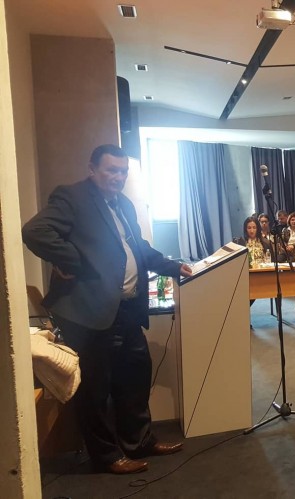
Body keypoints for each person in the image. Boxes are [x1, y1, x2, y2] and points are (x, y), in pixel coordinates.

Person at [21, 144, 191, 474]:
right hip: (88, 311)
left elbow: (138, 248)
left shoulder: (123, 204)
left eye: (122, 171)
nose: (118, 176)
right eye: (111, 170)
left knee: (135, 377)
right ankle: (107, 457)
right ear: (92, 169)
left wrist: (173, 267)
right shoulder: (73, 197)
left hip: (126, 308)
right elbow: (34, 231)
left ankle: (139, 442)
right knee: (95, 388)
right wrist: (71, 260)